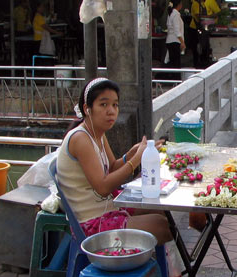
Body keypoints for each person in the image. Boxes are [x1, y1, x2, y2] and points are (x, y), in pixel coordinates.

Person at [56, 78, 173, 248]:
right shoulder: (80, 139)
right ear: (87, 109)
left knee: (161, 210)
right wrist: (135, 161)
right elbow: (103, 188)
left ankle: (163, 269)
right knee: (162, 226)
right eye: (103, 105)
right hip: (91, 224)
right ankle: (162, 271)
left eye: (115, 105)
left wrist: (129, 155)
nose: (111, 111)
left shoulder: (98, 133)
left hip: (107, 208)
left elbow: (111, 168)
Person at [166, 0, 185, 80]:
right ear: (179, 5)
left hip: (171, 40)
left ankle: (173, 79)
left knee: (173, 62)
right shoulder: (176, 15)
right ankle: (175, 80)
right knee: (176, 63)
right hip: (175, 41)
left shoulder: (171, 14)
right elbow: (177, 31)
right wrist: (182, 42)